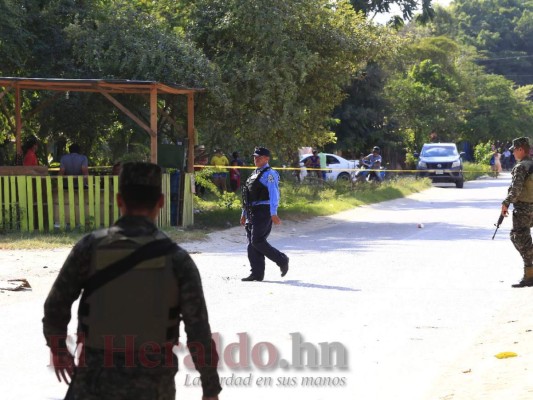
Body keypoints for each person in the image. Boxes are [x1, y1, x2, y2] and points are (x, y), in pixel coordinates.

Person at [42, 162, 222, 399]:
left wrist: (58, 350)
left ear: (119, 200)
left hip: (93, 383)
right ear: (161, 202)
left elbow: (56, 305)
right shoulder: (177, 259)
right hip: (153, 386)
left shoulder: (89, 248)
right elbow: (198, 330)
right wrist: (210, 388)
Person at [240, 147, 289, 281]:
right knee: (251, 243)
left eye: (259, 157)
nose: (256, 159)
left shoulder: (270, 174)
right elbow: (247, 196)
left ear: (267, 159)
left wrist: (273, 212)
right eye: (255, 157)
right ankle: (257, 273)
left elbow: (274, 194)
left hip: (264, 209)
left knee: (257, 241)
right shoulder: (253, 174)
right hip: (252, 211)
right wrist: (243, 213)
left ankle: (282, 260)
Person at [501, 137, 533, 288]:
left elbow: (516, 190)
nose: (513, 152)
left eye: (514, 149)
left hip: (524, 209)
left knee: (518, 238)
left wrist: (506, 202)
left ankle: (529, 276)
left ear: (521, 149)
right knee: (522, 239)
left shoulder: (521, 167)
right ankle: (529, 275)